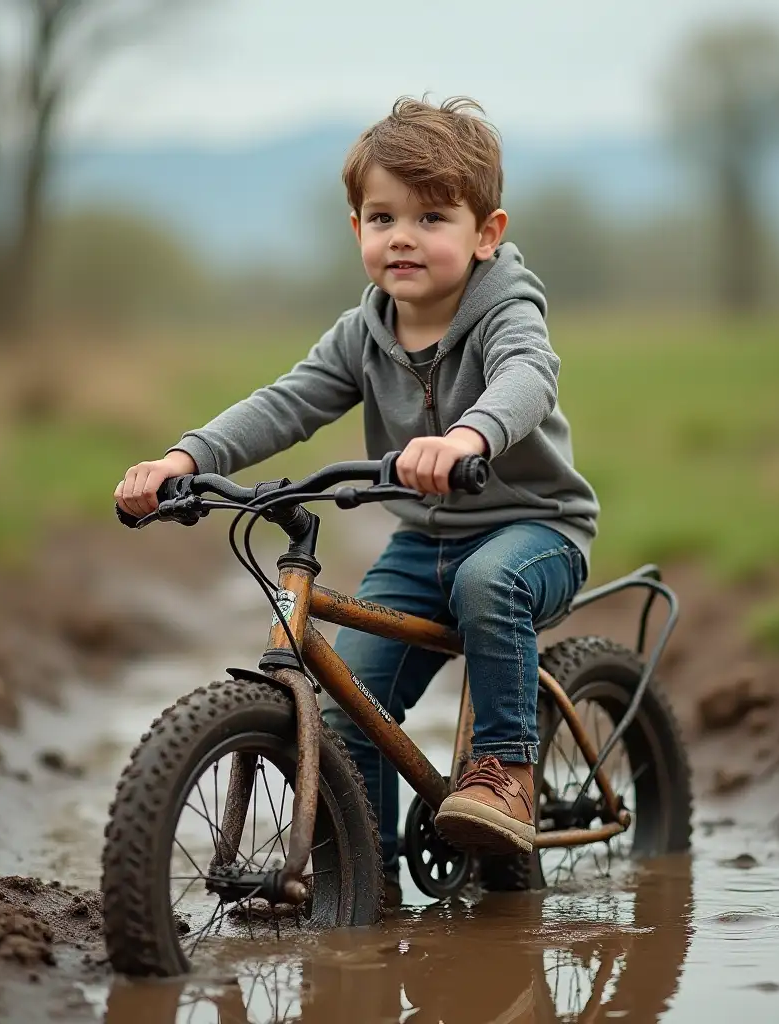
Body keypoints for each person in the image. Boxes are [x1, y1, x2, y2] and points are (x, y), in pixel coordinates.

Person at [115, 96, 599, 906]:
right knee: (352, 700)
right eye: (382, 217)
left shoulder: (506, 311)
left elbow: (526, 379)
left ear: (487, 233)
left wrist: (469, 437)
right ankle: (360, 873)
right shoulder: (362, 332)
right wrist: (183, 457)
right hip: (425, 542)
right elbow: (287, 402)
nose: (402, 236)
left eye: (432, 216)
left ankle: (506, 771)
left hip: (535, 530)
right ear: (357, 231)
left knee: (489, 585)